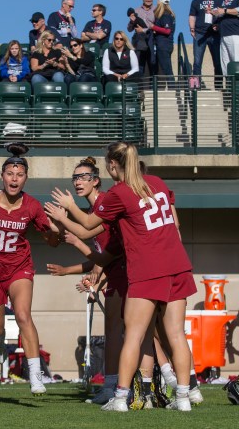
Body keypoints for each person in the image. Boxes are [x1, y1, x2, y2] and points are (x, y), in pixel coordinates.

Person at [69, 142, 197, 412]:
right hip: (177, 264)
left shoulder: (119, 191)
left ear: (113, 165)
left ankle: (120, 398)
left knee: (134, 336)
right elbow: (174, 222)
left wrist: (67, 207)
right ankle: (184, 397)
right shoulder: (156, 181)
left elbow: (88, 225)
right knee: (176, 334)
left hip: (149, 269)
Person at [0, 143, 61, 395]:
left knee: (23, 316)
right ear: (2, 176)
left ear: (25, 179)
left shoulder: (32, 206)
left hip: (19, 268)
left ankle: (35, 375)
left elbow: (51, 241)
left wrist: (57, 228)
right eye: (10, 174)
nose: (14, 179)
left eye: (19, 175)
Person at [43, 157, 125, 404]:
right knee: (115, 331)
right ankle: (113, 387)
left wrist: (65, 219)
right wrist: (68, 270)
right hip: (116, 273)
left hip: (128, 273)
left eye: (83, 177)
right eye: (75, 178)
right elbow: (101, 257)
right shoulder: (91, 211)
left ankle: (173, 385)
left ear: (96, 181)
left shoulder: (105, 205)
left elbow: (113, 250)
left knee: (144, 334)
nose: (78, 182)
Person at [188, 0, 223, 80]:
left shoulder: (218, 0)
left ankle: (219, 86)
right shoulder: (195, 1)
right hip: (200, 33)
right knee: (197, 62)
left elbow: (223, 15)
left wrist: (219, 26)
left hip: (214, 34)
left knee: (217, 62)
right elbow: (192, 16)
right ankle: (196, 87)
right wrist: (192, 29)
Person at [127, 0, 156, 80]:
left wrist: (143, 30)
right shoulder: (136, 11)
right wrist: (132, 22)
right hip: (139, 41)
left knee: (152, 64)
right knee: (139, 65)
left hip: (152, 39)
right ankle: (139, 90)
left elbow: (158, 27)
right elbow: (129, 29)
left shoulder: (157, 10)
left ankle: (153, 89)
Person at [151, 0, 176, 81]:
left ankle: (173, 90)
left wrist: (153, 27)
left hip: (164, 45)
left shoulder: (165, 14)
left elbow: (167, 30)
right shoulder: (168, 14)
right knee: (165, 69)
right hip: (166, 44)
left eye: (158, 1)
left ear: (160, 2)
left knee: (167, 70)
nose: (157, 2)